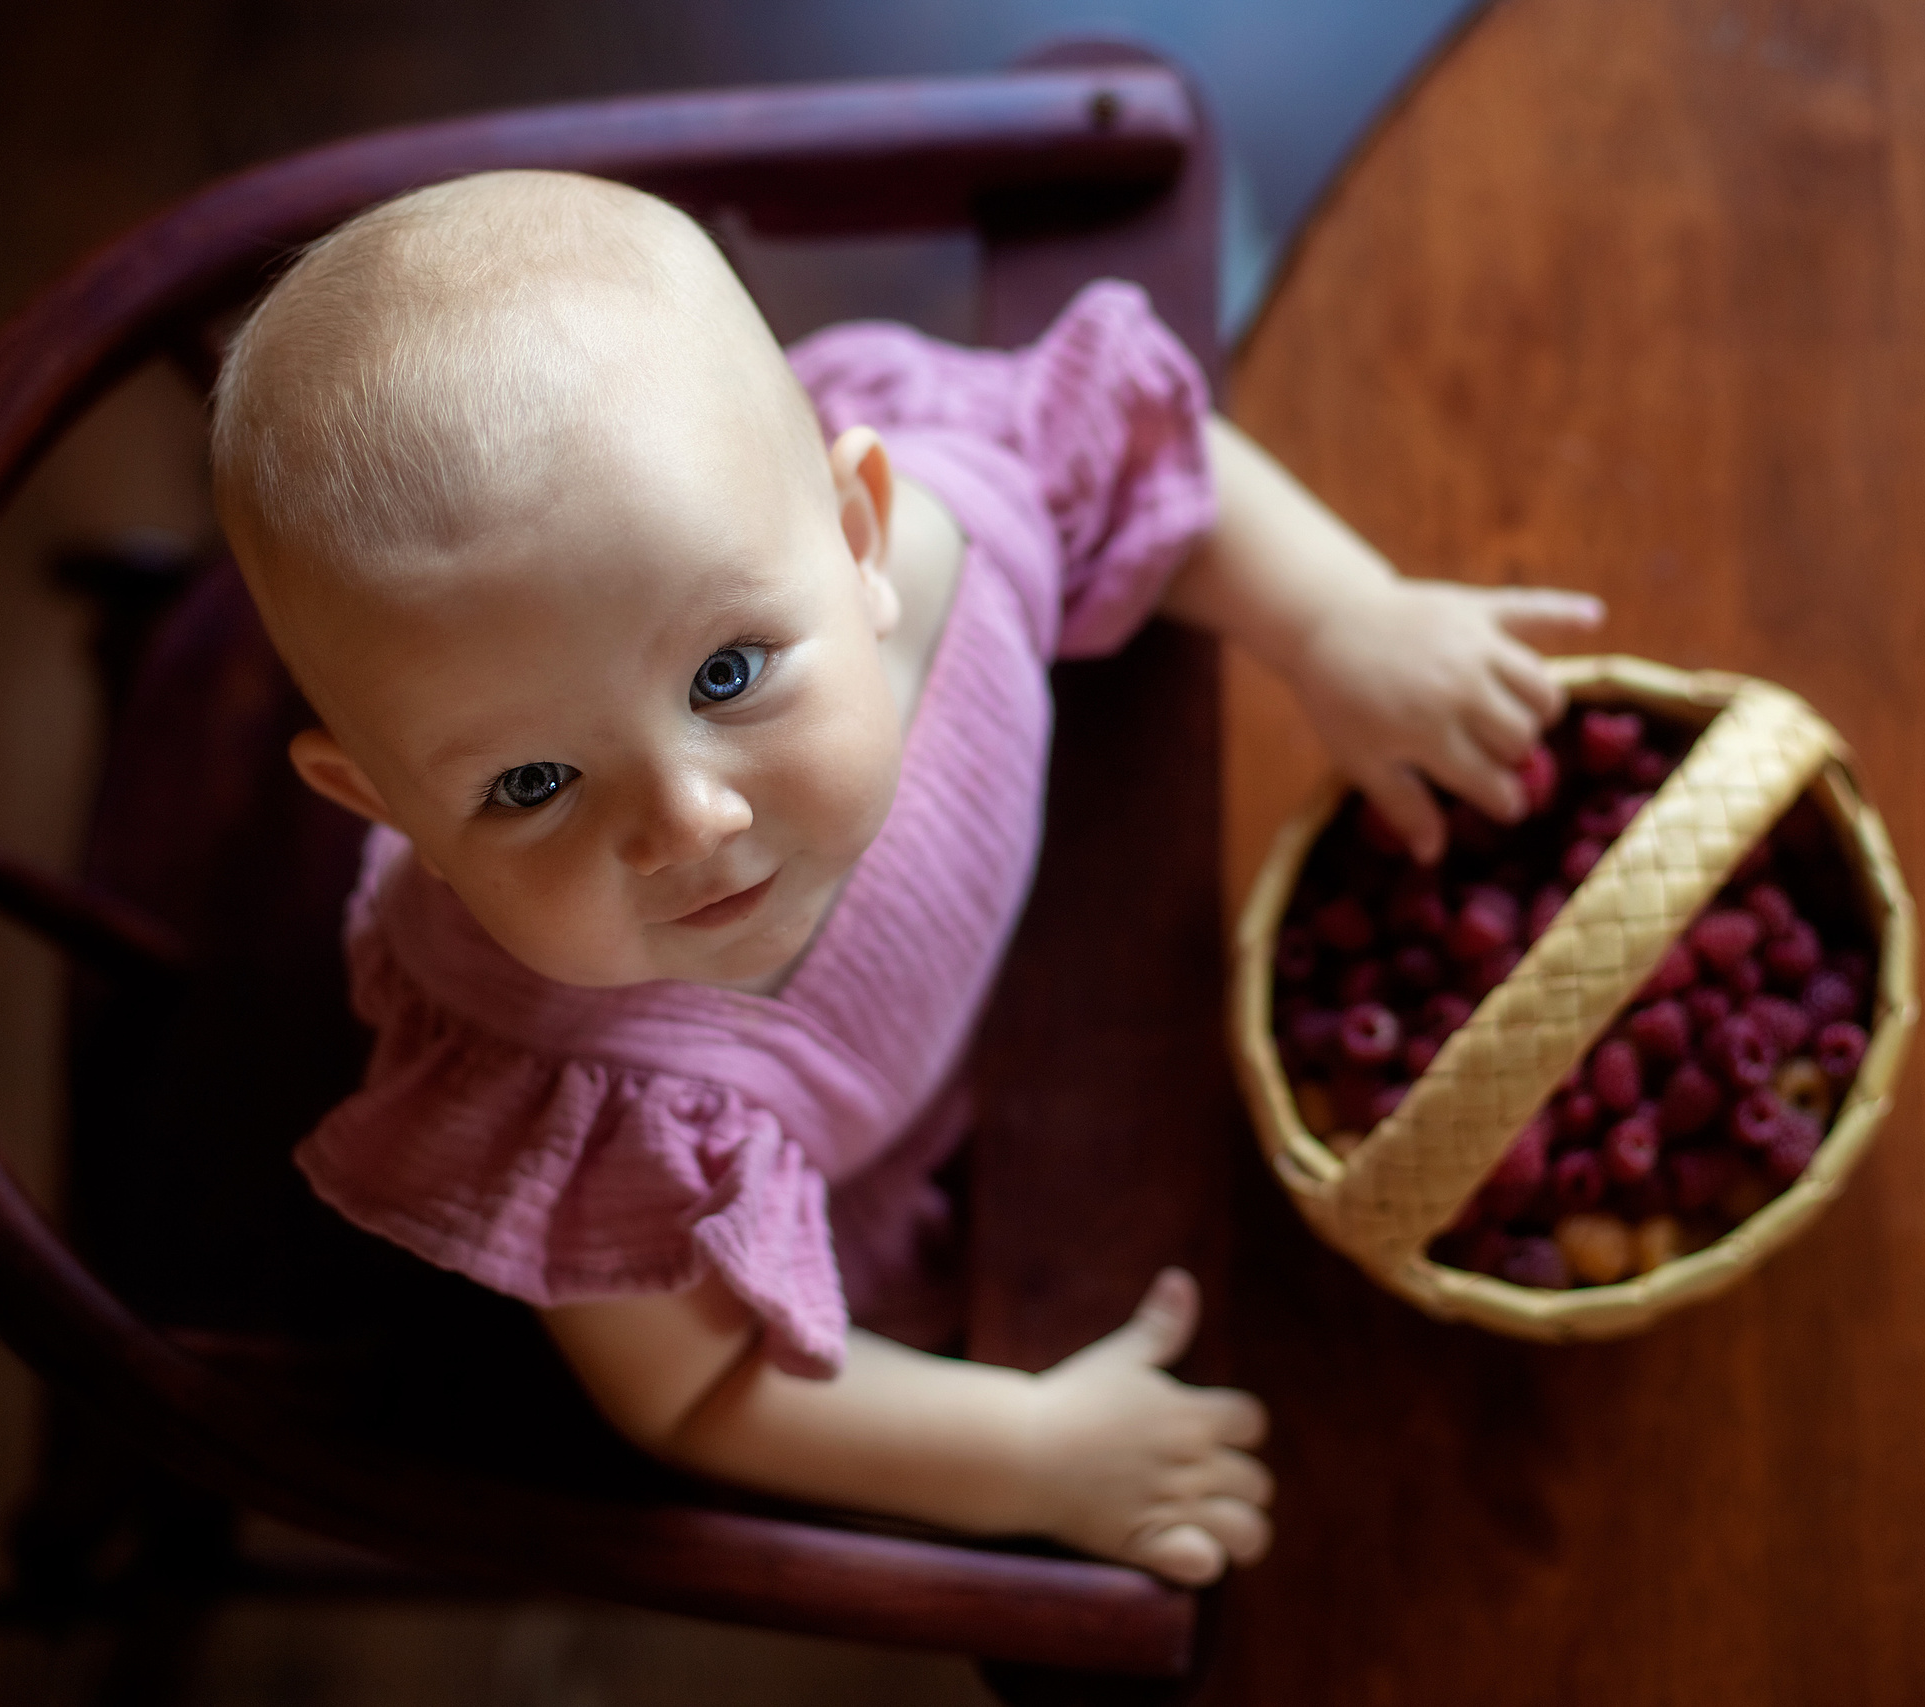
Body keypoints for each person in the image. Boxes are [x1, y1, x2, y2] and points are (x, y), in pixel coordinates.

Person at [209, 169, 1601, 1586]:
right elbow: (691, 1391)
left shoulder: (955, 524)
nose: (687, 819)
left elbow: (1130, 460)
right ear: (381, 804)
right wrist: (1031, 1456)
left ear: (857, 536)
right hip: (896, 1184)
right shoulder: (574, 1095)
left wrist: (1336, 614)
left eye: (729, 673)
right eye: (530, 785)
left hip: (1108, 951)